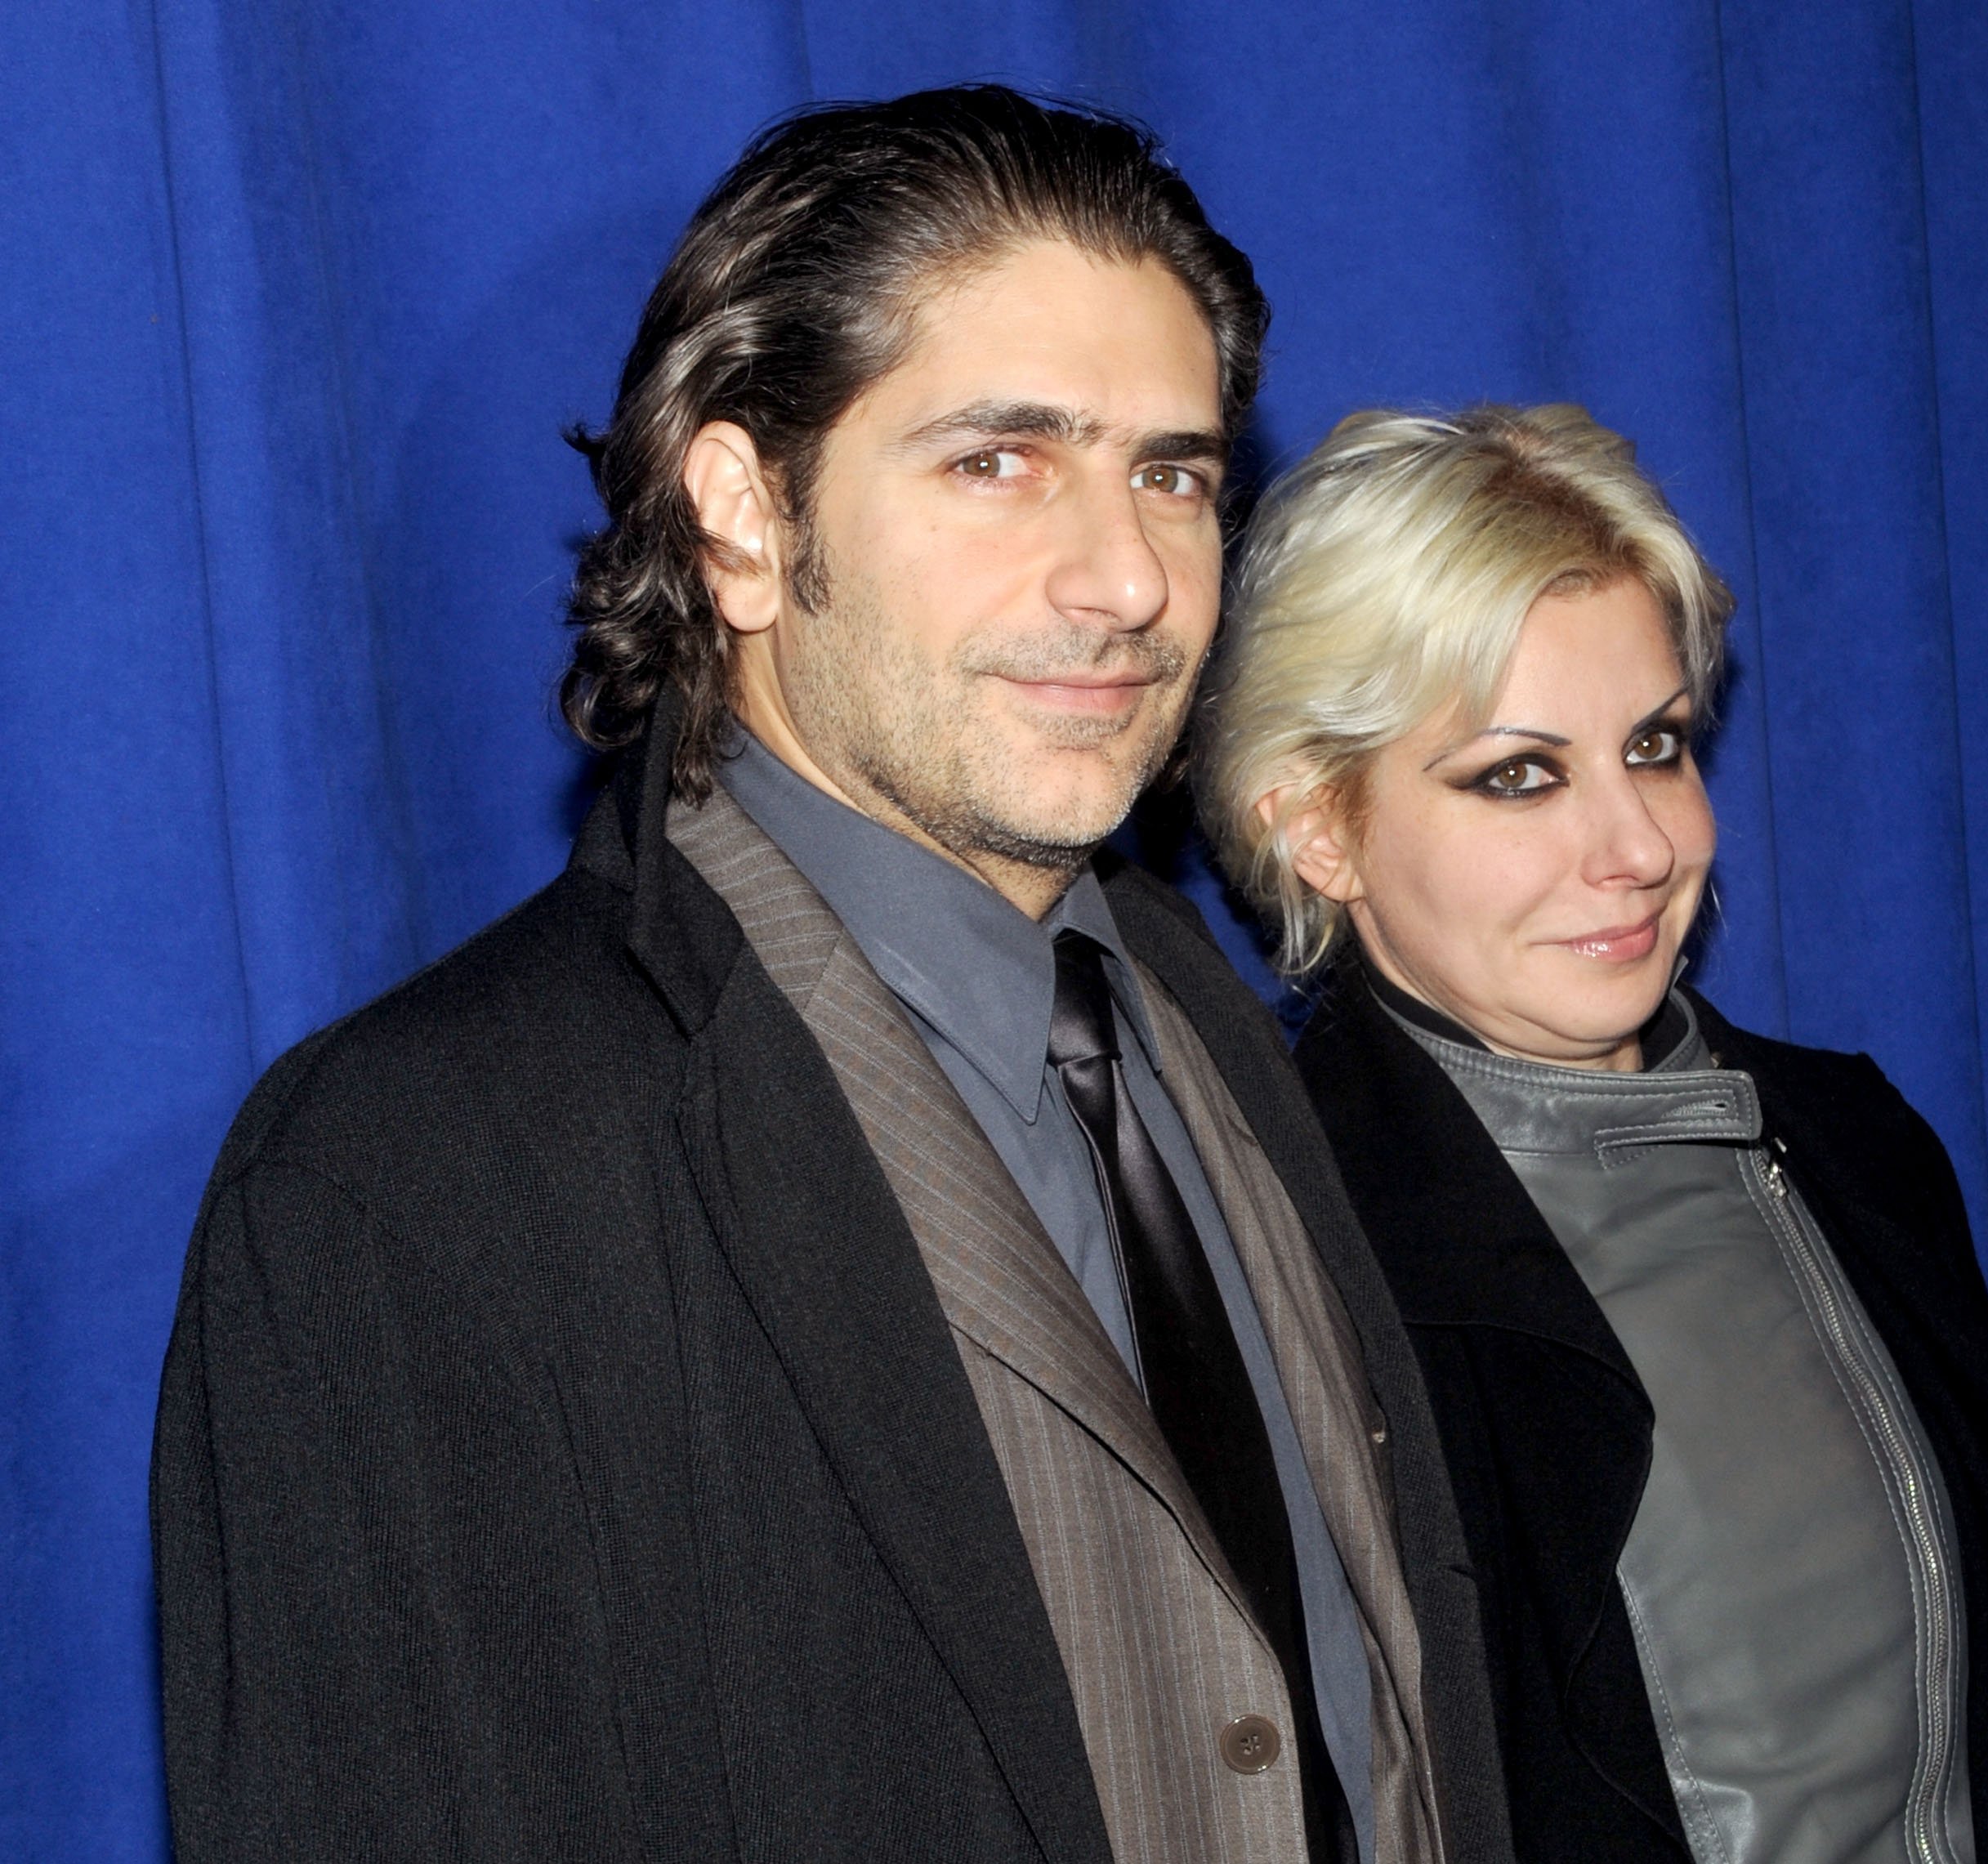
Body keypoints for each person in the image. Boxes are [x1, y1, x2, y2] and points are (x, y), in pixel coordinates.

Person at [152, 91, 1514, 1864]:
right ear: (738, 512)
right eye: (997, 461)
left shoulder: (1218, 1032)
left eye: (1170, 473)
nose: (1128, 578)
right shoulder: (405, 1176)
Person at [1197, 404, 1988, 1864]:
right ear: (1318, 827)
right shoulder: (1281, 1247)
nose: (1640, 846)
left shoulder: (1852, 1144)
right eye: (1520, 773)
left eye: (1655, 746)